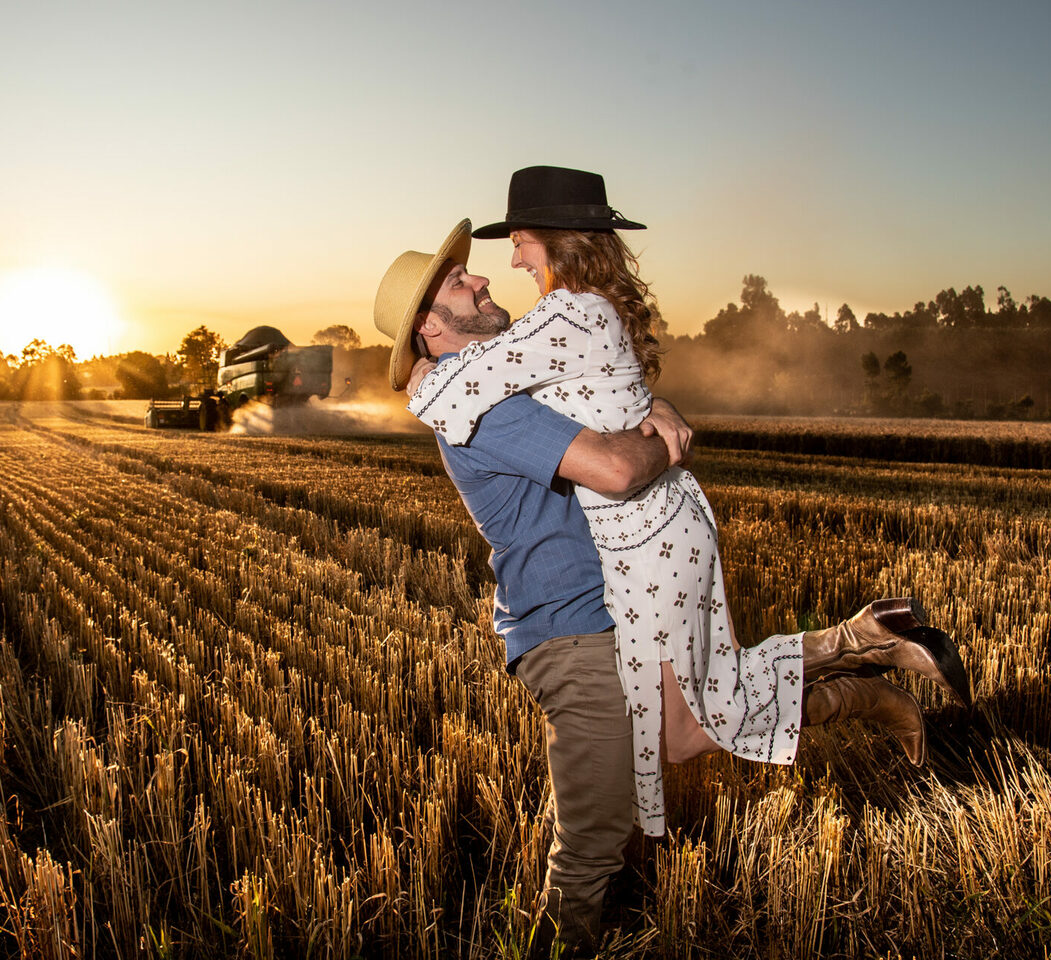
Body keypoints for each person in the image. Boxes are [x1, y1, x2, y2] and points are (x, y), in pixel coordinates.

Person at [374, 215, 968, 953]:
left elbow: (604, 397)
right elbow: (619, 468)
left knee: (677, 744)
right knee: (603, 829)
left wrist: (650, 408)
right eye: (461, 283)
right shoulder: (485, 411)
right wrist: (662, 438)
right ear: (431, 324)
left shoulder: (503, 380)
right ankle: (863, 658)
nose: (485, 276)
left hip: (621, 602)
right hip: (573, 630)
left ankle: (867, 650)